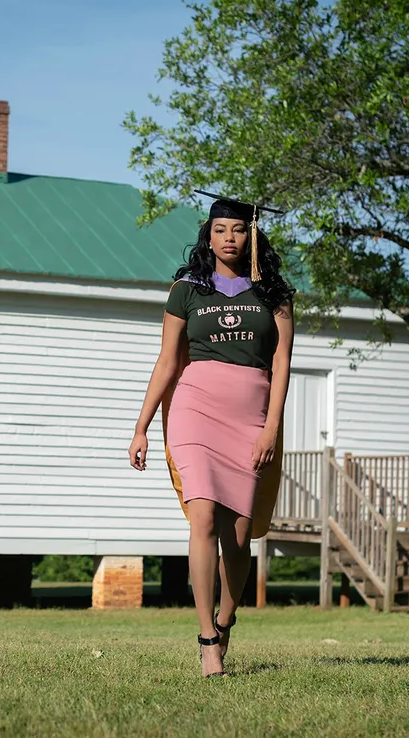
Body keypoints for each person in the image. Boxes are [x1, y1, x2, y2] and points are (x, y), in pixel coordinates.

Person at [127, 193, 295, 678]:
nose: (229, 239)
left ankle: (226, 618)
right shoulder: (187, 289)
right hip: (194, 407)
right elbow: (167, 361)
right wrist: (140, 426)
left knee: (237, 538)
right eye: (220, 230)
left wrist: (271, 427)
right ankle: (206, 640)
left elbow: (281, 364)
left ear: (252, 235)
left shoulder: (274, 294)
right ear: (209, 233)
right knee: (201, 520)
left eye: (238, 230)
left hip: (251, 417)